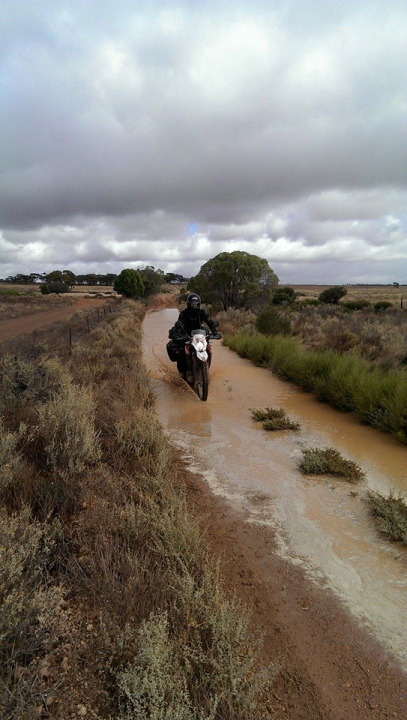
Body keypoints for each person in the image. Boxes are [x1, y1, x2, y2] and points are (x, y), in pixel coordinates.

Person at [167, 293, 219, 377]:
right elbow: (180, 324)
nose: (194, 306)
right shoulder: (183, 314)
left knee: (207, 347)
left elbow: (209, 322)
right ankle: (182, 371)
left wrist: (214, 332)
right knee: (182, 351)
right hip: (187, 335)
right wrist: (178, 331)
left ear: (199, 304)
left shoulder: (202, 312)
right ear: (188, 304)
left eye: (196, 304)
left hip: (199, 335)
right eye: (192, 304)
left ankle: (206, 367)